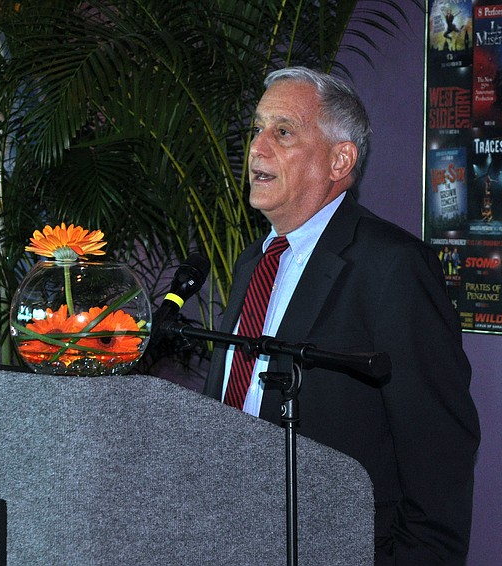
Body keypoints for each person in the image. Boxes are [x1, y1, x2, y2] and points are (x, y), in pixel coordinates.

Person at [202, 67, 480, 564]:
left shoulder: (392, 266)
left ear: (340, 159)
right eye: (257, 129)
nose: (257, 149)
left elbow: (439, 455)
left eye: (282, 131)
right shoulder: (254, 262)